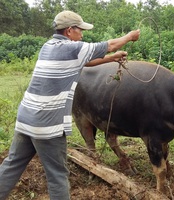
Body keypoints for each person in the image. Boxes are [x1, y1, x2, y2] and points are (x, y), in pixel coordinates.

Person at [0, 10, 140, 200]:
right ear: (69, 31)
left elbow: (85, 62)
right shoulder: (72, 48)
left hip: (25, 118)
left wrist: (111, 59)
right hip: (47, 124)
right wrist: (130, 37)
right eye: (80, 29)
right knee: (57, 176)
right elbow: (111, 44)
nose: (82, 33)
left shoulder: (48, 46)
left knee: (12, 164)